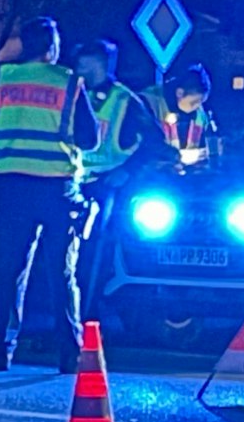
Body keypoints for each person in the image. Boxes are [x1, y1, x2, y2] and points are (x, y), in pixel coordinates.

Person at [0, 17, 100, 372]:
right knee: (62, 272)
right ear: (52, 46)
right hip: (56, 188)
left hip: (11, 187)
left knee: (10, 270)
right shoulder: (68, 82)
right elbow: (90, 138)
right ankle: (69, 355)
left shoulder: (1, 79)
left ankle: (1, 352)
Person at [75, 38, 175, 316]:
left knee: (97, 256)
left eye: (85, 61)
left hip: (108, 187)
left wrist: (126, 172)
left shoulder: (125, 101)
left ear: (101, 64)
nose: (79, 66)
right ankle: (73, 317)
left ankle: (90, 317)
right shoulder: (75, 93)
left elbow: (155, 143)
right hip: (75, 183)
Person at [144, 63, 217, 166]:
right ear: (179, 93)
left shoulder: (199, 114)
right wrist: (172, 155)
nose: (197, 107)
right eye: (194, 102)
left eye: (201, 102)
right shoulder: (149, 103)